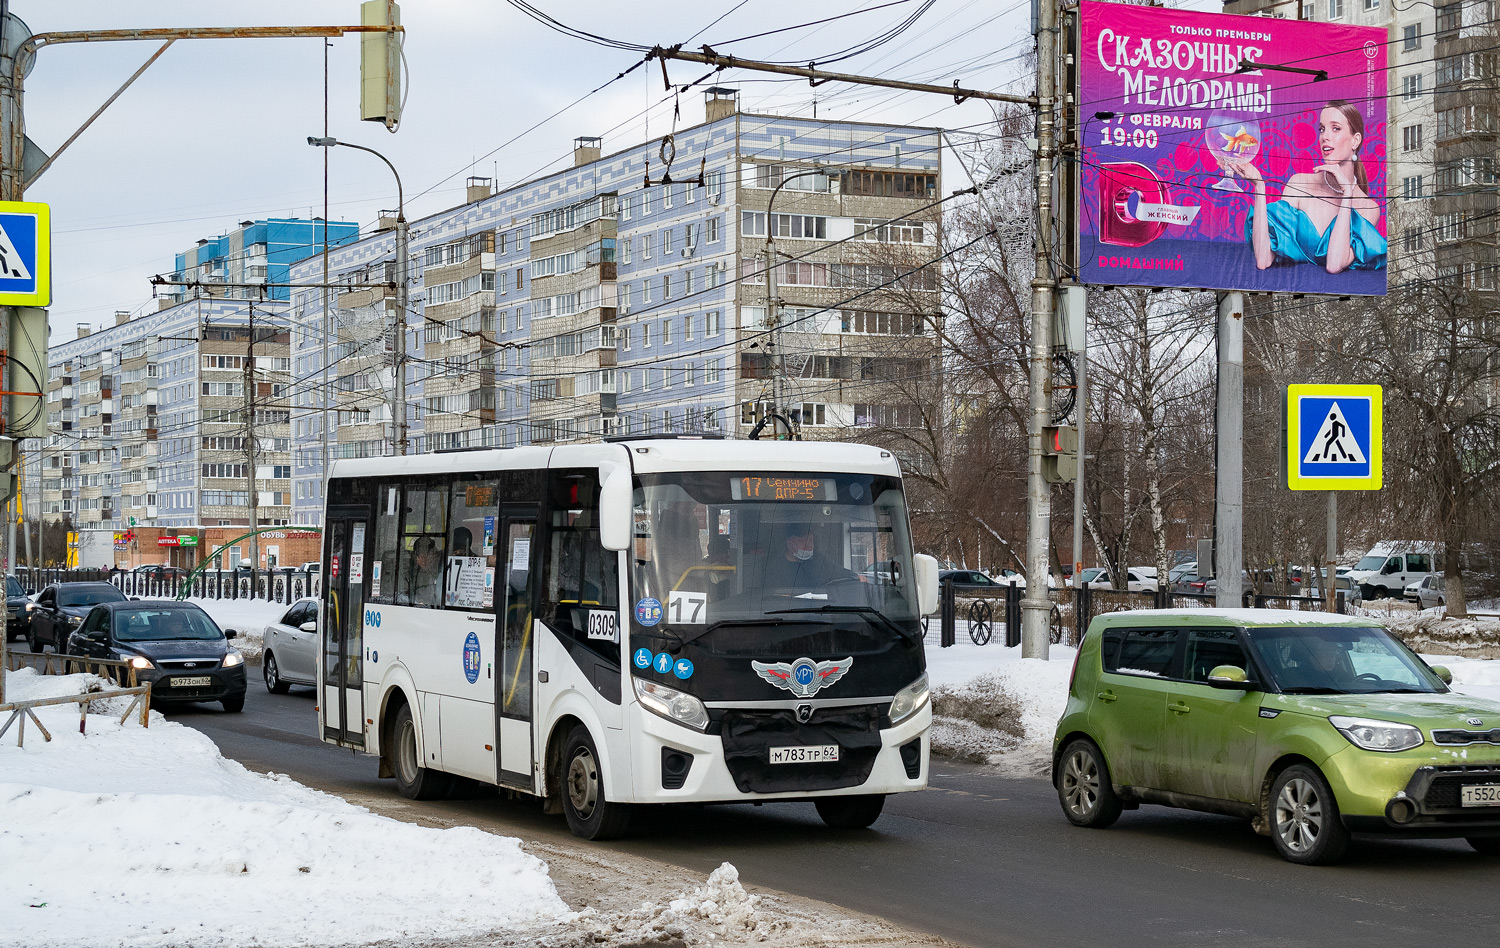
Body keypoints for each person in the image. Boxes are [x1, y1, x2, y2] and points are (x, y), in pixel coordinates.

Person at [1222, 100, 1386, 274]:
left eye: (1335, 128)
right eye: (1322, 129)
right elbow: (1263, 259)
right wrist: (1259, 186)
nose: (1325, 136)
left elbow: (1334, 265)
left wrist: (1347, 194)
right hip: (1287, 295)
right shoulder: (1299, 183)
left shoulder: (1369, 208)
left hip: (1332, 300)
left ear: (1356, 140)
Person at [764, 524, 859, 590]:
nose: (809, 544)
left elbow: (841, 572)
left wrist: (856, 577)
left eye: (810, 539)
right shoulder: (775, 568)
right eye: (803, 540)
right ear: (790, 543)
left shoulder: (820, 562)